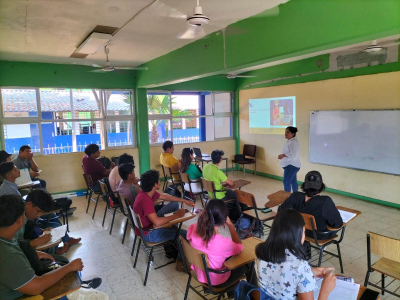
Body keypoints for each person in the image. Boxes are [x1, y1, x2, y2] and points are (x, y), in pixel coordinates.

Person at [0, 194, 84, 299]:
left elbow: (16, 245)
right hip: (20, 295)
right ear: (19, 220)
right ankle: (76, 293)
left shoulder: (5, 236)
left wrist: (33, 252)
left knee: (61, 264)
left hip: (17, 286)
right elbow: (36, 287)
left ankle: (80, 288)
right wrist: (70, 267)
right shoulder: (8, 255)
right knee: (68, 273)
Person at [255, 209, 336, 300]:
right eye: (304, 231)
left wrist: (310, 271)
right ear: (298, 233)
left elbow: (281, 270)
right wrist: (325, 291)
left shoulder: (261, 251)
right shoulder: (301, 266)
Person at [187, 200, 257, 294]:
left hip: (200, 273)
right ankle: (255, 295)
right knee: (249, 262)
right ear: (223, 220)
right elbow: (240, 247)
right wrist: (231, 226)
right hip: (217, 281)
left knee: (226, 256)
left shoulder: (193, 228)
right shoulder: (222, 243)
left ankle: (231, 292)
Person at [133, 170, 195, 270]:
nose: (159, 181)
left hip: (147, 226)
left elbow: (166, 197)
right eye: (158, 180)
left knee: (174, 204)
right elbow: (156, 222)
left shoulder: (146, 192)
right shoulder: (146, 200)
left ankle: (171, 237)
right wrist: (177, 215)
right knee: (186, 235)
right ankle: (180, 263)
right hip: (150, 234)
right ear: (154, 184)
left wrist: (184, 200)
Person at [278, 171, 343, 239]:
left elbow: (281, 211)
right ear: (321, 186)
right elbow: (337, 224)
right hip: (318, 236)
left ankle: (305, 244)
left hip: (297, 232)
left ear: (304, 185)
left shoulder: (295, 196)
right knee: (341, 224)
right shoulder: (325, 201)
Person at [23, 189, 81, 255]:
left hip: (32, 237)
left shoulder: (26, 215)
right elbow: (15, 246)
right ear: (29, 204)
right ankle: (55, 250)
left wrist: (42, 231)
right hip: (30, 253)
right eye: (38, 211)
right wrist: (36, 242)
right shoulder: (19, 221)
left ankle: (65, 242)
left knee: (53, 220)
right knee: (55, 226)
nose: (39, 215)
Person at [202, 149, 242, 222]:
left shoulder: (205, 167)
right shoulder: (218, 172)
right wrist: (228, 181)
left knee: (230, 192)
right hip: (219, 195)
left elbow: (212, 179)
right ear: (220, 159)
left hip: (211, 193)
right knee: (235, 194)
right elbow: (231, 183)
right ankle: (238, 214)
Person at [278, 126, 300, 192]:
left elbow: (292, 154)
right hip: (290, 165)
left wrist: (283, 155)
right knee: (293, 182)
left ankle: (288, 199)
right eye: (285, 132)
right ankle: (295, 197)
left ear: (293, 133)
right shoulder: (290, 141)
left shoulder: (294, 142)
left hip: (291, 165)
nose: (286, 134)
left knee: (286, 182)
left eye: (288, 132)